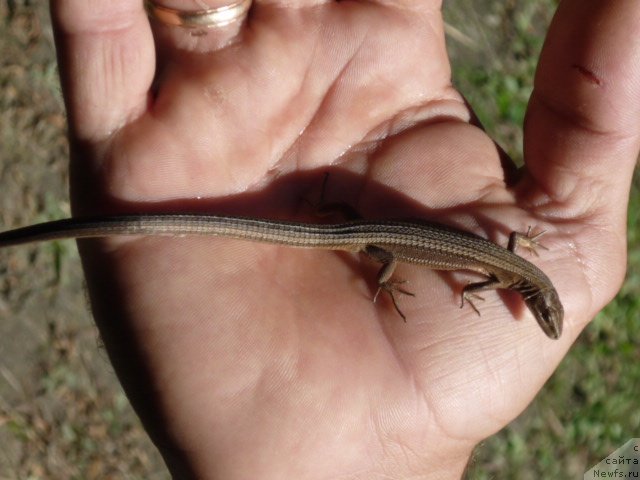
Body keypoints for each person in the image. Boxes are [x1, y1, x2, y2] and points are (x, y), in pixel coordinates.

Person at [50, 0, 640, 478]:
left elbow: (506, 249)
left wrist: (521, 250)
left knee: (351, 229)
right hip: (376, 245)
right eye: (541, 314)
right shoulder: (503, 277)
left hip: (375, 227)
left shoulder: (512, 264)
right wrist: (443, 289)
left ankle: (332, 214)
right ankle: (369, 267)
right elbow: (486, 273)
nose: (539, 318)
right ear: (535, 301)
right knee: (376, 260)